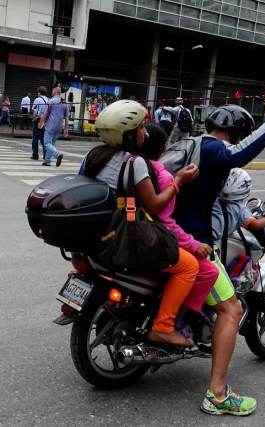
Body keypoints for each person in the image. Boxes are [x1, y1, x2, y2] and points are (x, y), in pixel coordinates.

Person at [171, 95, 265, 416]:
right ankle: (218, 395)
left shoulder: (188, 143)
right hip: (194, 243)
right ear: (235, 133)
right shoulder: (212, 149)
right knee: (232, 310)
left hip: (165, 234)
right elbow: (242, 154)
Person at [79, 100, 201, 347]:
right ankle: (164, 326)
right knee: (188, 266)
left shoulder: (92, 156)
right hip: (125, 236)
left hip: (100, 235)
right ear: (127, 134)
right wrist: (178, 181)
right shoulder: (134, 163)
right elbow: (155, 205)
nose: (145, 133)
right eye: (140, 128)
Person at [139, 123, 219, 343]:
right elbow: (164, 222)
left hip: (123, 233)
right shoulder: (162, 177)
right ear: (163, 148)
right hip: (149, 239)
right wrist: (194, 244)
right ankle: (171, 323)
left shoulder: (119, 163)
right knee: (204, 271)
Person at [211, 168, 265, 243]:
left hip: (200, 233)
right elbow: (255, 225)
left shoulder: (214, 199)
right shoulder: (240, 209)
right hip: (209, 241)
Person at [38, 86, 69, 167]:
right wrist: (66, 128)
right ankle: (47, 161)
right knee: (51, 144)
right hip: (59, 127)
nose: (51, 93)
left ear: (55, 92)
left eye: (52, 91)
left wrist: (40, 122)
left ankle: (57, 155)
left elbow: (45, 114)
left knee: (47, 143)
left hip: (50, 126)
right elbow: (67, 116)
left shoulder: (50, 101)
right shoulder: (64, 102)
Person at [30, 86, 48, 160]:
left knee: (35, 138)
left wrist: (33, 119)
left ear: (39, 92)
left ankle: (35, 155)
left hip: (38, 120)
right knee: (43, 138)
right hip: (45, 120)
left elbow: (35, 112)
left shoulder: (37, 100)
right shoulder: (48, 99)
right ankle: (45, 154)